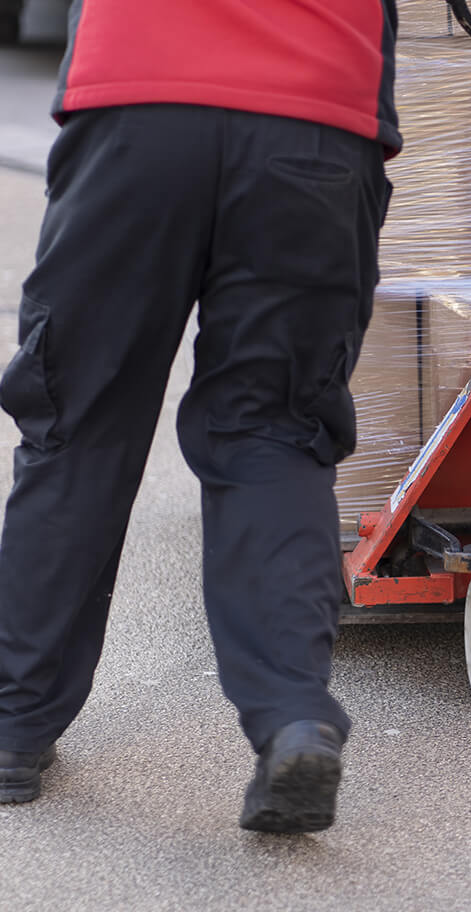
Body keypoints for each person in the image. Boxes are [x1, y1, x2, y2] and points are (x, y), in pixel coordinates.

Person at [0, 0, 399, 833]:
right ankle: (294, 715)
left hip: (136, 101)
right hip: (316, 112)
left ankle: (12, 726)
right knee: (273, 431)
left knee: (81, 422)